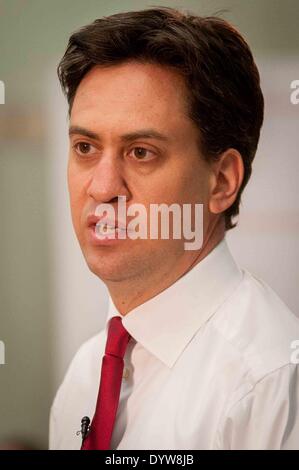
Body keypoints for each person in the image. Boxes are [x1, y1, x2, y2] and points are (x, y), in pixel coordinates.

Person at [49, 7, 299, 450]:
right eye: (85, 147)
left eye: (141, 152)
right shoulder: (83, 375)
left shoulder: (273, 383)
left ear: (221, 181)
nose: (103, 188)